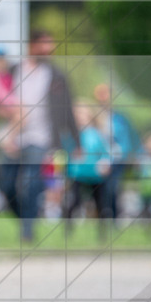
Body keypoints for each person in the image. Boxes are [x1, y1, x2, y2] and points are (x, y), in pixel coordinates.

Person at [0, 29, 78, 241]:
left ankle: (27, 230)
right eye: (44, 45)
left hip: (42, 138)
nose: (49, 49)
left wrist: (77, 142)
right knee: (6, 183)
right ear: (32, 45)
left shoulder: (57, 76)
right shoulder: (13, 70)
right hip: (13, 137)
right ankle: (24, 218)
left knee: (32, 183)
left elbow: (68, 110)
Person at [63, 100, 113, 236]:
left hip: (95, 175)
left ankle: (103, 233)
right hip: (77, 174)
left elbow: (105, 154)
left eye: (83, 113)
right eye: (77, 114)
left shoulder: (97, 134)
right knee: (74, 202)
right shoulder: (70, 135)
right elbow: (65, 151)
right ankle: (67, 231)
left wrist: (105, 164)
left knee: (101, 203)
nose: (80, 117)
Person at [93, 82, 140, 222]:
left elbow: (125, 142)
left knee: (112, 189)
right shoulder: (94, 117)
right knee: (100, 190)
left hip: (116, 160)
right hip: (99, 160)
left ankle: (113, 217)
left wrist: (116, 157)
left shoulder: (119, 119)